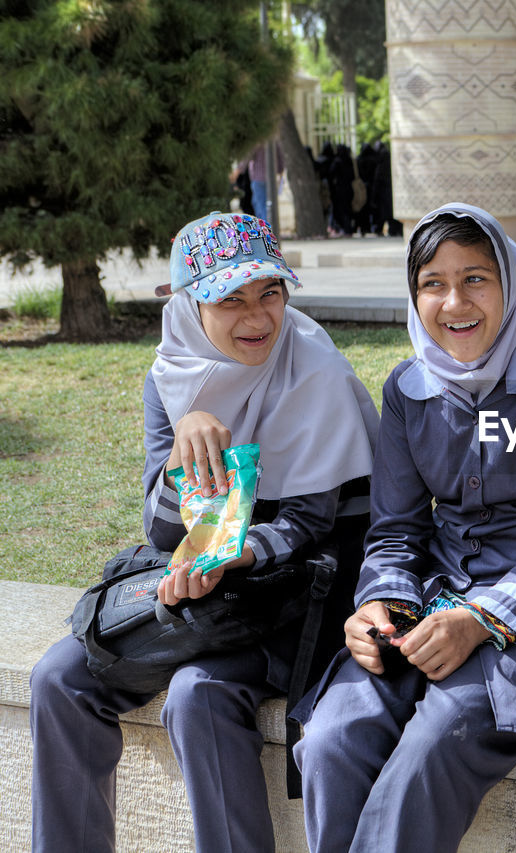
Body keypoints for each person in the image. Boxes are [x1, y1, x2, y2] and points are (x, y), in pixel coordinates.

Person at [29, 211, 380, 852]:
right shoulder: (171, 376)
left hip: (304, 594)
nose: (258, 318)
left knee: (198, 693)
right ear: (191, 306)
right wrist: (183, 444)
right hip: (210, 588)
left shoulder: (314, 372)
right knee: (59, 677)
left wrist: (232, 558)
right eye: (231, 299)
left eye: (270, 292)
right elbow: (166, 535)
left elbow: (310, 524)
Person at [292, 202, 516, 853]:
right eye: (432, 283)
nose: (454, 301)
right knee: (331, 739)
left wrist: (479, 620)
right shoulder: (408, 390)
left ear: (510, 282)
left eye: (476, 278)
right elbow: (394, 532)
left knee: (436, 739)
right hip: (431, 607)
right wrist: (380, 605)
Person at [233, 141, 284, 227]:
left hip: (258, 178)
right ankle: (265, 228)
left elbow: (247, 157)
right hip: (271, 179)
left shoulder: (258, 141)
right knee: (265, 205)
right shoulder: (274, 141)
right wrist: (279, 171)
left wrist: (237, 172)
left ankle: (265, 230)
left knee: (262, 207)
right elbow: (281, 161)